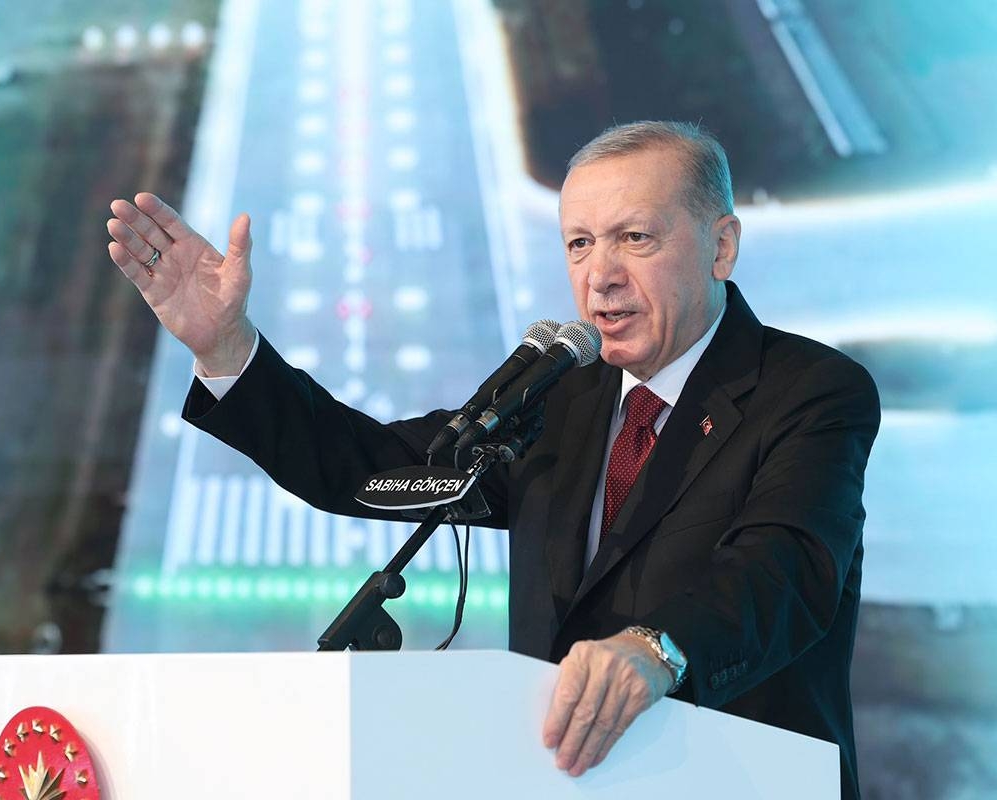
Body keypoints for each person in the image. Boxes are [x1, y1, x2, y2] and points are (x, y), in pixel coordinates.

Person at [107, 121, 879, 798]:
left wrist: (657, 648)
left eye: (635, 238)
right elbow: (369, 466)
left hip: (738, 781)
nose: (600, 275)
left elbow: (783, 568)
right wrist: (228, 351)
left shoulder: (810, 391)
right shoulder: (560, 397)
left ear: (721, 246)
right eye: (579, 243)